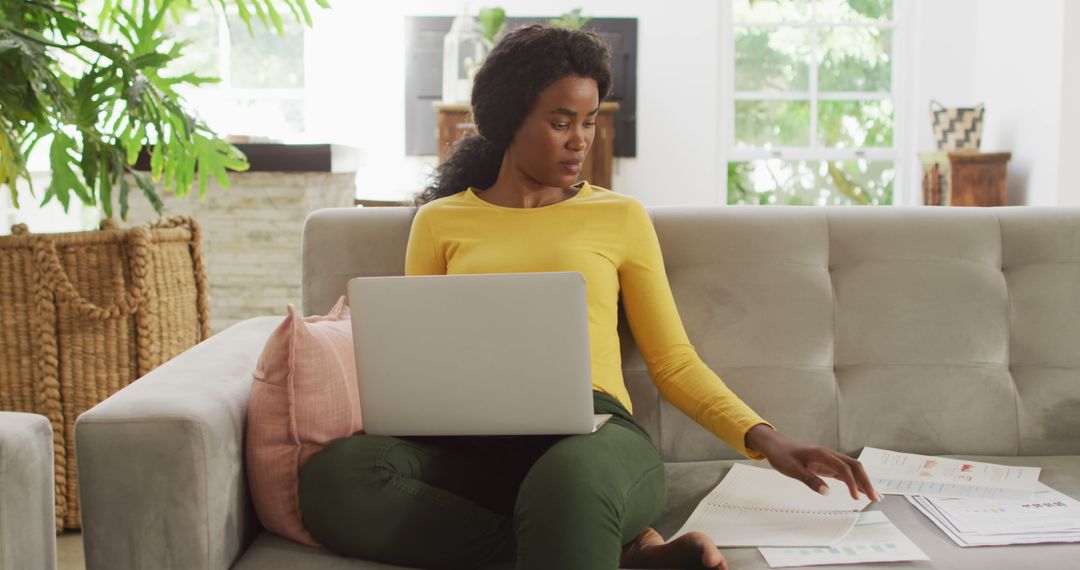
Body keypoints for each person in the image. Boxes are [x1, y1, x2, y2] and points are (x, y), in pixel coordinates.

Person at [298, 25, 881, 570]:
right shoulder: (439, 222)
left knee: (567, 486)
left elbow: (673, 360)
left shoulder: (619, 216)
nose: (580, 141)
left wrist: (768, 440)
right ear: (508, 120)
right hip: (475, 448)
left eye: (589, 120)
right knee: (337, 478)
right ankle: (612, 555)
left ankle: (580, 535)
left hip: (597, 437)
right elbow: (422, 356)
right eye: (560, 122)